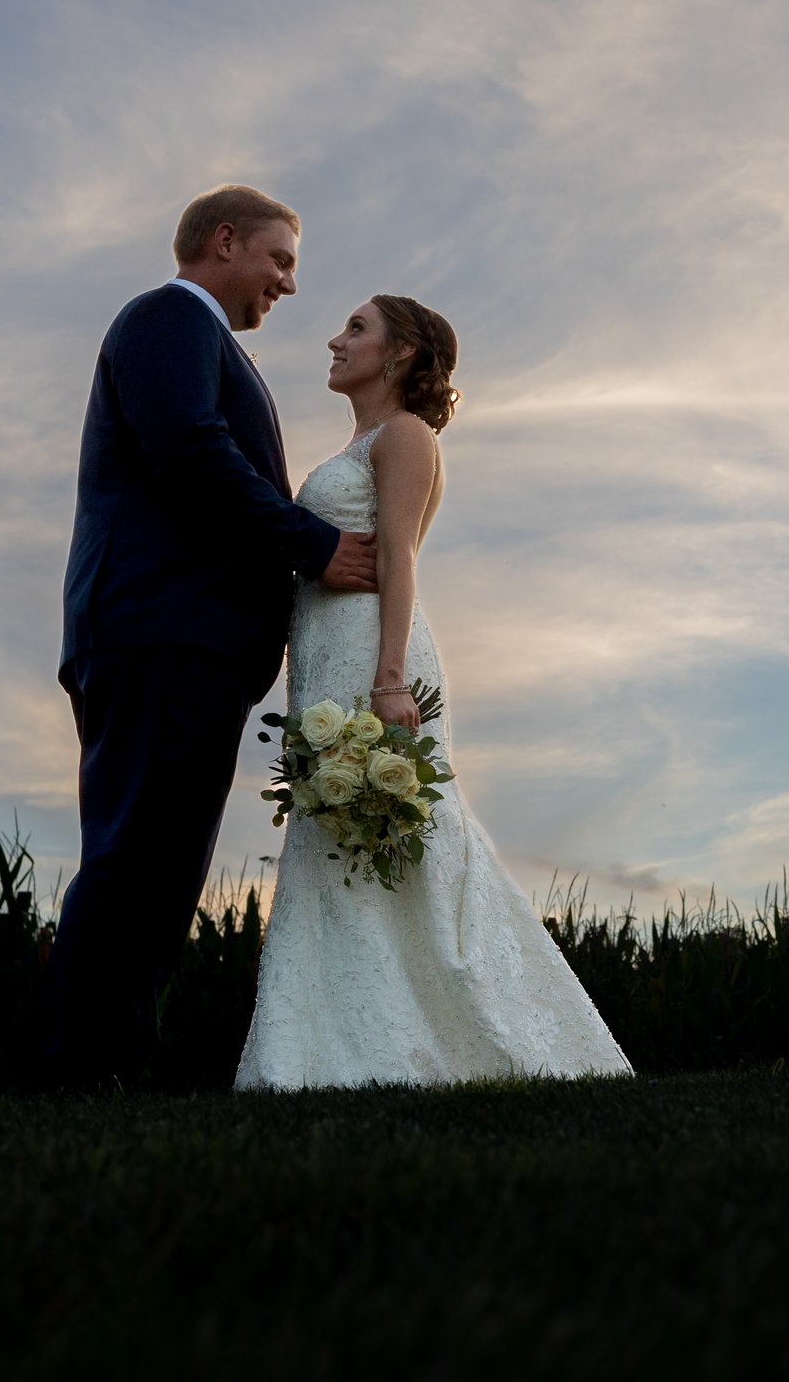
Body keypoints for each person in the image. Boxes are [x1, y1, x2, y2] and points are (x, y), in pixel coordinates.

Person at [235, 293, 630, 1088]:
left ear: (403, 352)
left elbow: (400, 560)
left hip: (373, 656)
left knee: (414, 840)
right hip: (322, 655)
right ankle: (322, 1051)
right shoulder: (355, 443)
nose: (335, 341)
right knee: (333, 837)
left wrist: (389, 678)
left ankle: (495, 1034)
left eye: (357, 329)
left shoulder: (405, 436)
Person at [47, 184, 378, 1087]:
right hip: (159, 631)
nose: (288, 285)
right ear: (223, 240)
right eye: (279, 261)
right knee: (135, 857)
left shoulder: (203, 339)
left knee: (159, 867)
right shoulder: (169, 318)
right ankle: (82, 1071)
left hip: (183, 641)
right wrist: (315, 547)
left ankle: (113, 1062)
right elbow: (190, 448)